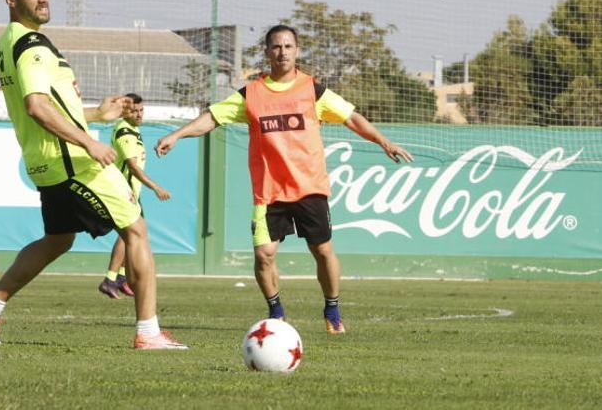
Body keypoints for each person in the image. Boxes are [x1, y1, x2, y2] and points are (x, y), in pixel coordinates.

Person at [0, 0, 186, 350]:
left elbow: (50, 106)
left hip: (46, 161)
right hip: (73, 161)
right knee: (136, 230)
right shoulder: (30, 45)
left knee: (58, 240)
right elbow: (36, 105)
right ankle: (148, 333)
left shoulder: (8, 41)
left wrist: (98, 115)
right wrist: (89, 142)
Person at [155, 24, 413, 334]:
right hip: (268, 192)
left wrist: (385, 142)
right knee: (264, 255)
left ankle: (332, 308)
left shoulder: (312, 90)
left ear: (297, 51)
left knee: (322, 251)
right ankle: (276, 312)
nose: (283, 52)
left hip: (309, 186)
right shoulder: (251, 94)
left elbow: (351, 117)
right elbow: (212, 117)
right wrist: (178, 134)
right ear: (267, 53)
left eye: (288, 46)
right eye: (276, 47)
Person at [98, 93, 172, 299]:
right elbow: (133, 167)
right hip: (124, 191)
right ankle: (110, 279)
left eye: (141, 110)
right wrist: (156, 187)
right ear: (124, 111)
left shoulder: (134, 130)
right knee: (130, 235)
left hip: (132, 192)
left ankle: (121, 278)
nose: (139, 114)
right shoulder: (125, 132)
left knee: (135, 235)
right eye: (134, 111)